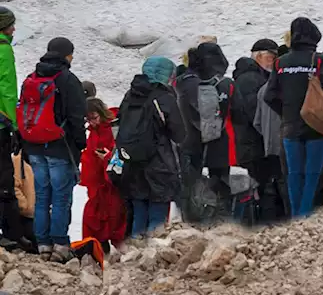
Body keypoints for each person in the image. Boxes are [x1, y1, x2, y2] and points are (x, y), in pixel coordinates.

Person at [264, 18, 323, 218]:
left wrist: (286, 111)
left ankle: (295, 216)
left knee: (294, 174)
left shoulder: (280, 63)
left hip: (290, 126)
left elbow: (269, 95)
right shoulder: (317, 60)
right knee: (313, 175)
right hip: (317, 126)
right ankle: (305, 216)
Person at [20, 37, 86, 261]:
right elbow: (77, 118)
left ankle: (43, 245)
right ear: (67, 55)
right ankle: (60, 245)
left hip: (35, 147)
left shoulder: (32, 77)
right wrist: (80, 145)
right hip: (60, 147)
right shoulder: (68, 80)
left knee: (41, 196)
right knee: (60, 198)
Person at [116, 57, 183, 238]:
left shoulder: (130, 95)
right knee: (157, 215)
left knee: (139, 213)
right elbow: (179, 133)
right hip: (159, 164)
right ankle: (153, 257)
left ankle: (134, 256)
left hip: (133, 163)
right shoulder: (164, 97)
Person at [230, 40, 288, 223]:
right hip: (254, 145)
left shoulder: (252, 77)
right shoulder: (252, 80)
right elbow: (257, 115)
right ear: (258, 56)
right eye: (271, 57)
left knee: (259, 190)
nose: (273, 61)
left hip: (249, 144)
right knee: (263, 190)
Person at [175, 42, 232, 221]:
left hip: (188, 143)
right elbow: (207, 117)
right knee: (193, 192)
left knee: (192, 191)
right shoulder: (194, 84)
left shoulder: (186, 81)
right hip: (192, 146)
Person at [80, 97, 126, 246]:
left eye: (94, 118)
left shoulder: (113, 128)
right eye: (89, 119)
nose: (92, 122)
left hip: (111, 184)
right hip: (98, 183)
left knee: (113, 218)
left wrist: (106, 157)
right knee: (94, 218)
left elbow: (120, 153)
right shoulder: (95, 130)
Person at [0, 7, 23, 250]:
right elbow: (6, 87)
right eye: (10, 25)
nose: (13, 30)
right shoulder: (3, 49)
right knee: (4, 175)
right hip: (1, 122)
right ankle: (11, 233)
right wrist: (14, 124)